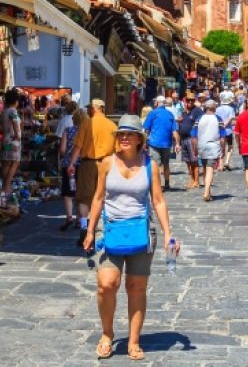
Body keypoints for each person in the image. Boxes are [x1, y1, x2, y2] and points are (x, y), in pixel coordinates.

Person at [83, 115, 179, 361]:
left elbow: (158, 200)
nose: (124, 138)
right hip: (110, 230)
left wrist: (169, 233)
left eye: (130, 134)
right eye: (121, 134)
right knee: (107, 284)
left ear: (139, 138)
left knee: (136, 287)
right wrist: (90, 230)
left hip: (141, 232)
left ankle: (133, 340)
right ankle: (107, 334)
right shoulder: (107, 163)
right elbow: (97, 198)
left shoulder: (150, 165)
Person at [68, 99, 118, 245]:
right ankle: (100, 228)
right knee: (103, 196)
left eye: (90, 108)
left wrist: (71, 164)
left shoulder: (86, 123)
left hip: (88, 164)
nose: (89, 110)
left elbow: (77, 146)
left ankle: (84, 226)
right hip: (107, 164)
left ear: (94, 109)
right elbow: (117, 150)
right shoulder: (112, 125)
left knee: (84, 197)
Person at [58, 98, 85, 230]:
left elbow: (62, 150)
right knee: (80, 193)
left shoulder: (67, 131)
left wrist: (66, 156)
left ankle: (69, 217)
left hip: (68, 165)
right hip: (82, 165)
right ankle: (80, 219)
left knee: (68, 193)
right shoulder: (86, 132)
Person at [143, 95, 180, 191]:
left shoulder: (153, 113)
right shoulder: (170, 114)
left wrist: (144, 143)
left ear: (156, 103)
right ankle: (167, 184)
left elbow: (146, 130)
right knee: (166, 164)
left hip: (154, 143)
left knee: (156, 165)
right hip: (167, 144)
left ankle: (158, 185)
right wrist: (177, 144)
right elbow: (175, 131)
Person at [194, 99, 223, 202]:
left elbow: (194, 136)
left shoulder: (199, 118)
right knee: (210, 169)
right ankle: (206, 192)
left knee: (205, 169)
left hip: (202, 145)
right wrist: (222, 149)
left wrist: (195, 148)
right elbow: (222, 137)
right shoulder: (218, 119)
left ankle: (208, 191)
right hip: (213, 146)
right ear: (214, 108)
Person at [0, 89, 22, 195]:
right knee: (14, 162)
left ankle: (4, 186)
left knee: (6, 162)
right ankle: (7, 187)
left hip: (5, 140)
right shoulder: (13, 111)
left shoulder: (3, 111)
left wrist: (5, 131)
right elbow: (15, 122)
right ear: (16, 101)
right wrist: (17, 134)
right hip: (12, 141)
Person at [178, 92, 202, 188]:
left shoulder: (197, 111)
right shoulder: (184, 112)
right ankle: (191, 179)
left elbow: (201, 123)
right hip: (183, 138)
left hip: (192, 139)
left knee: (194, 160)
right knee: (188, 161)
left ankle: (196, 181)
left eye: (192, 100)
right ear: (185, 101)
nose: (190, 102)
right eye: (188, 100)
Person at [216, 91, 237, 171]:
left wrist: (221, 125)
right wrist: (226, 124)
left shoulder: (217, 109)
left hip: (219, 130)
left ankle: (220, 165)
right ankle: (227, 161)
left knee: (221, 147)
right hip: (228, 131)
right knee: (230, 147)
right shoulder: (231, 109)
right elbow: (231, 118)